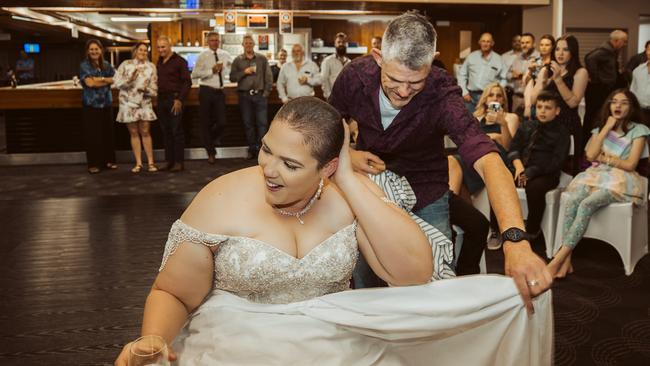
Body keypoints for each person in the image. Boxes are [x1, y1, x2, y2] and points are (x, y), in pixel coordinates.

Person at [114, 97, 552, 365]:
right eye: (267, 149)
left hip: (334, 343)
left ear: (326, 167)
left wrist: (349, 182)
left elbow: (413, 274)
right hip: (237, 344)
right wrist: (152, 337)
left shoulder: (345, 195)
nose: (267, 169)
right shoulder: (221, 198)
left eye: (290, 164)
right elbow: (173, 293)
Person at [329, 11, 552, 307]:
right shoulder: (354, 77)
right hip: (371, 189)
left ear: (432, 61)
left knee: (432, 284)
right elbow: (330, 125)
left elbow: (488, 158)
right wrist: (351, 155)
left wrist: (515, 238)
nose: (404, 92)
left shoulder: (442, 94)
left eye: (416, 82)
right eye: (395, 80)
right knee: (368, 279)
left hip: (426, 189)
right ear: (378, 57)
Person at [548, 89, 650, 278]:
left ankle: (558, 259)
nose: (618, 106)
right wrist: (606, 129)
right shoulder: (600, 128)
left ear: (632, 107)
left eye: (624, 102)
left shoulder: (639, 130)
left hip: (621, 179)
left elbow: (630, 164)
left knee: (587, 204)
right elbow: (591, 155)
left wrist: (606, 158)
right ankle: (566, 262)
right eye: (614, 101)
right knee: (572, 201)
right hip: (596, 175)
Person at [507, 91, 571, 258]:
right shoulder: (527, 126)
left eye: (547, 108)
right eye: (539, 107)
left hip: (546, 174)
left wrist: (531, 172)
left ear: (557, 111)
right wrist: (519, 167)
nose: (542, 111)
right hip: (521, 169)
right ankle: (503, 228)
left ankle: (533, 230)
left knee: (534, 188)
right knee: (501, 181)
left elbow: (557, 162)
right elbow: (513, 148)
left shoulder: (562, 132)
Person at [448, 82, 520, 196]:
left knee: (455, 161)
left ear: (503, 100)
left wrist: (503, 123)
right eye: (491, 95)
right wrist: (493, 136)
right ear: (485, 100)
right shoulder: (476, 117)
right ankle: (452, 203)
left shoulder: (510, 117)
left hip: (497, 155)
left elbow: (508, 146)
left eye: (499, 95)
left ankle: (451, 205)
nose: (495, 98)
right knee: (451, 160)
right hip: (476, 152)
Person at [530, 34, 588, 174]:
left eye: (565, 50)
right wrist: (542, 80)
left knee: (564, 169)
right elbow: (533, 100)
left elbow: (573, 102)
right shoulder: (547, 70)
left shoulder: (580, 72)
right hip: (547, 123)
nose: (560, 53)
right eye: (557, 49)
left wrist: (558, 79)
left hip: (567, 124)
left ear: (572, 52)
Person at [114, 42, 158, 173]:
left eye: (145, 50)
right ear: (135, 51)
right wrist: (130, 79)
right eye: (141, 50)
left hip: (144, 103)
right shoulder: (125, 64)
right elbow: (117, 83)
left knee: (145, 132)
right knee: (133, 133)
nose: (143, 52)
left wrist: (146, 89)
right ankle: (138, 163)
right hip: (127, 103)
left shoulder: (151, 67)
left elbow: (155, 90)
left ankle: (151, 162)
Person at [230, 34, 273, 159]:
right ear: (242, 45)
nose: (248, 45)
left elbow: (268, 77)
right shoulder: (238, 60)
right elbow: (232, 77)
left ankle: (263, 151)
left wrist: (266, 93)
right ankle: (252, 149)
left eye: (250, 43)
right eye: (246, 43)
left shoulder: (261, 59)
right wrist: (244, 72)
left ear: (254, 45)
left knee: (262, 124)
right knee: (248, 124)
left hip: (260, 95)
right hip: (244, 96)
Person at [192, 31, 232, 165]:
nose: (215, 42)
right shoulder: (202, 56)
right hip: (206, 91)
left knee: (222, 122)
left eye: (217, 40)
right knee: (205, 123)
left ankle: (211, 141)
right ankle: (210, 152)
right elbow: (195, 74)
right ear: (208, 42)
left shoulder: (225, 55)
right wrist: (211, 71)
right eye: (212, 40)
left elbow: (231, 70)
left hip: (219, 91)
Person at [79, 39, 117, 175]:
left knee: (107, 133)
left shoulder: (107, 65)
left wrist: (99, 80)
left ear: (101, 50)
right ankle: (93, 164)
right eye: (91, 49)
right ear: (88, 52)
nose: (94, 51)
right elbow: (90, 83)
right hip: (91, 105)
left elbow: (117, 78)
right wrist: (106, 80)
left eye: (96, 49)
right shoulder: (84, 65)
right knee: (93, 135)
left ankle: (108, 161)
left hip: (106, 103)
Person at [584, 30, 628, 144]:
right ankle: (587, 144)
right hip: (599, 89)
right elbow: (589, 58)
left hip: (603, 88)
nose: (625, 44)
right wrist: (596, 79)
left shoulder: (611, 51)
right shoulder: (605, 50)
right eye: (624, 41)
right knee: (593, 117)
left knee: (598, 116)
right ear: (617, 41)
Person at [156, 35, 192, 172]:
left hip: (174, 100)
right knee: (166, 132)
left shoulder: (180, 61)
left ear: (170, 46)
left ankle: (178, 162)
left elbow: (187, 82)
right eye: (159, 47)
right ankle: (168, 161)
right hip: (161, 99)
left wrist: (179, 100)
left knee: (176, 131)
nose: (161, 50)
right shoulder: (159, 61)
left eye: (163, 47)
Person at [457, 32, 507, 113]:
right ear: (479, 42)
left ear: (492, 43)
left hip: (491, 97)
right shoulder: (471, 56)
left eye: (488, 41)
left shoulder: (499, 59)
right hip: (470, 97)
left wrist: (496, 93)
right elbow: (462, 75)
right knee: (468, 121)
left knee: (493, 119)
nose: (485, 44)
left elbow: (504, 79)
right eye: (483, 41)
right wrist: (464, 92)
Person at [523, 34, 555, 120]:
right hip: (532, 100)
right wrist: (530, 71)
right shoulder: (535, 61)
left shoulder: (554, 63)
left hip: (547, 99)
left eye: (547, 45)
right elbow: (526, 82)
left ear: (552, 47)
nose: (544, 47)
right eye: (542, 45)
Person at [509, 33, 539, 115]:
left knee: (530, 124)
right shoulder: (517, 58)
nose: (524, 45)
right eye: (522, 43)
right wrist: (512, 75)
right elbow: (509, 74)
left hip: (532, 99)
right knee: (515, 124)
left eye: (527, 43)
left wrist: (521, 75)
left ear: (534, 44)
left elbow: (538, 78)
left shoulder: (539, 58)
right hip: (516, 98)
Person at [321, 32, 351, 100]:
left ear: (346, 44)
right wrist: (328, 96)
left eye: (343, 42)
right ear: (335, 44)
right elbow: (324, 79)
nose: (341, 44)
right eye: (339, 42)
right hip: (332, 98)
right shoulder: (327, 61)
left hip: (346, 99)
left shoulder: (349, 62)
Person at [630, 42, 650, 125]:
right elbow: (632, 90)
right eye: (649, 49)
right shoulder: (638, 70)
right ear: (646, 51)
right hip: (641, 112)